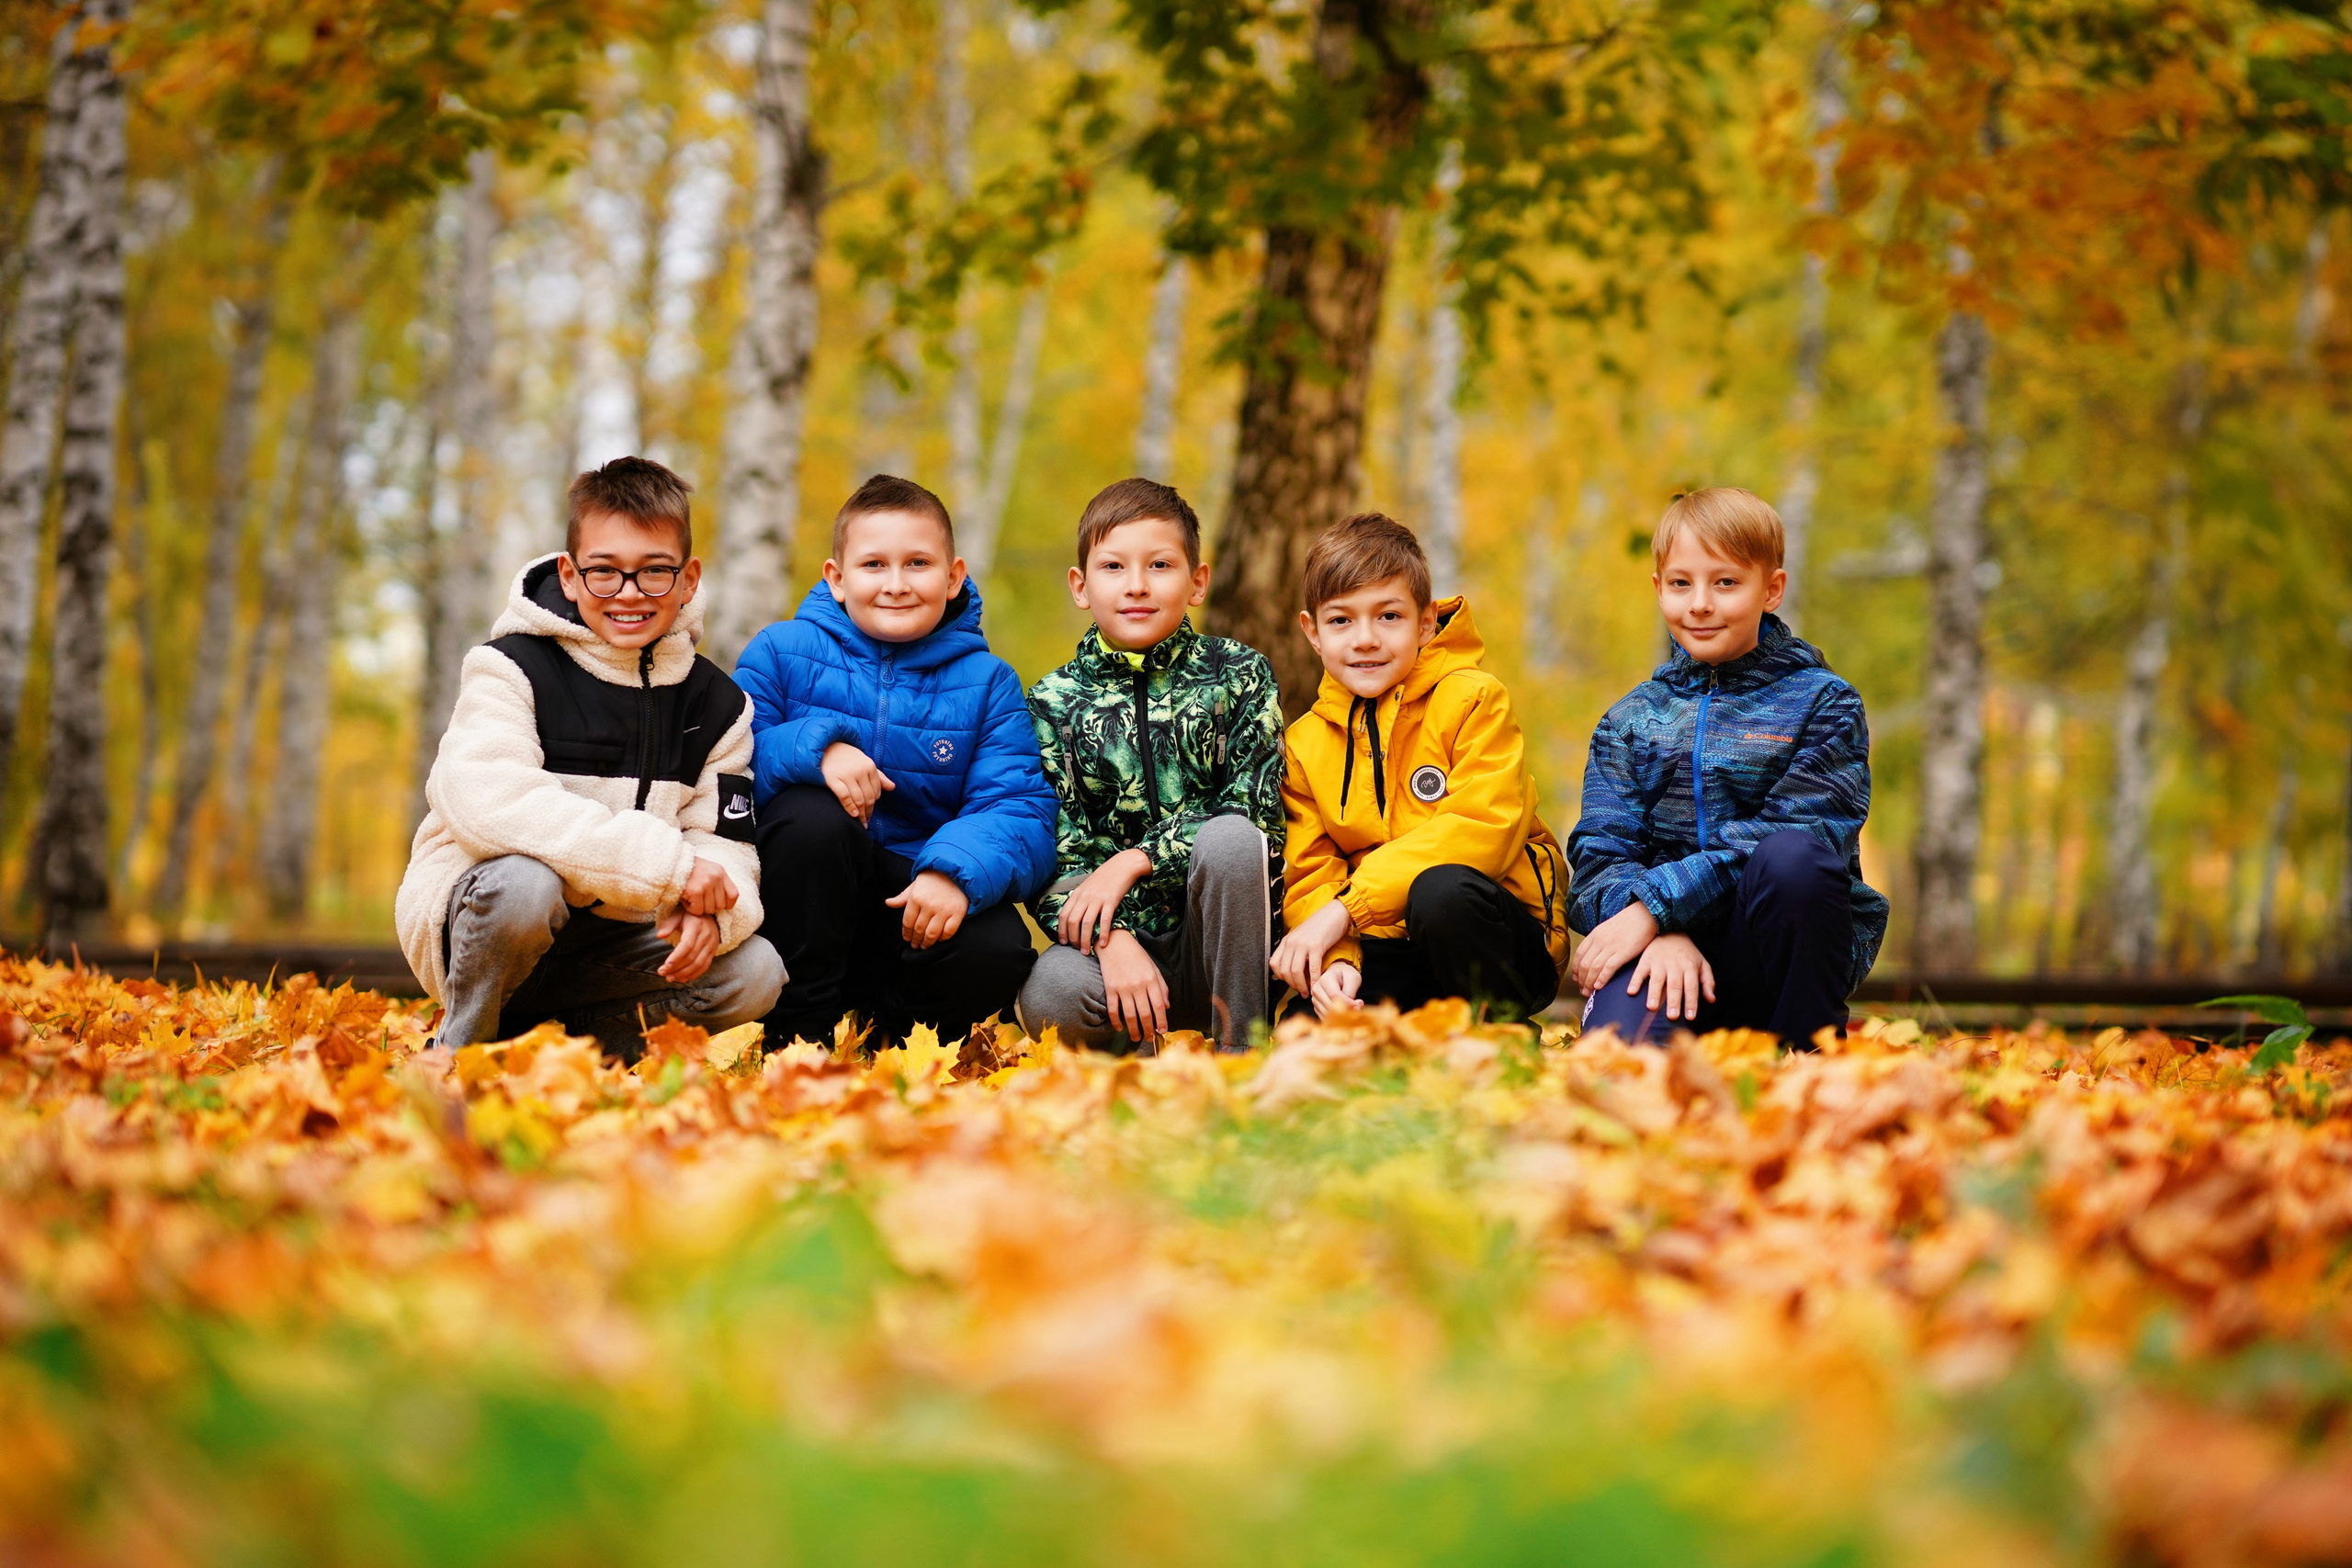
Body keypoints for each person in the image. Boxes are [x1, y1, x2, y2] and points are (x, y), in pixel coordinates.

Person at [395, 457, 784, 1057]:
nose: (629, 594)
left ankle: (559, 1057)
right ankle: (460, 1049)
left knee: (756, 970)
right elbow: (489, 801)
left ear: (688, 579)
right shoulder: (510, 666)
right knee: (527, 886)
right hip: (492, 919)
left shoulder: (720, 705)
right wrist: (671, 868)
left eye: (655, 572)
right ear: (570, 576)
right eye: (605, 572)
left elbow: (729, 847)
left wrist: (714, 912)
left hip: (619, 941)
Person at [733, 474, 1057, 1045]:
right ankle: (798, 1039)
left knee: (998, 946)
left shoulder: (988, 683)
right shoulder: (779, 653)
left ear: (954, 577)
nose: (897, 584)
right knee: (812, 819)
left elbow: (1018, 806)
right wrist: (816, 750)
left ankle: (906, 1044)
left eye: (918, 564)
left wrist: (953, 871)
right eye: (874, 565)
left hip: (910, 903)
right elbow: (728, 765)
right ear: (836, 579)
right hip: (804, 901)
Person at [1567, 486, 1888, 1047]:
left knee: (1792, 858)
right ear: (1659, 588)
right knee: (1622, 1066)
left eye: (1726, 582)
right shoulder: (1630, 721)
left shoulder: (1825, 706)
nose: (1699, 604)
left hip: (1767, 962)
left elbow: (1807, 832)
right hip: (1663, 960)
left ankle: (1808, 1052)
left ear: (1772, 590)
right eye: (1680, 583)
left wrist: (1657, 907)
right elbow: (1598, 859)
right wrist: (1659, 926)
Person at [1017, 479, 1285, 1053]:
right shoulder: (1052, 703)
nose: (1136, 586)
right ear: (1080, 586)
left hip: (1224, 947)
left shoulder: (1237, 675)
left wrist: (1134, 861)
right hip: (1117, 955)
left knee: (1233, 840)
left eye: (1160, 565)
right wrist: (1108, 939)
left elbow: (1255, 812)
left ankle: (1242, 1052)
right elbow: (1050, 851)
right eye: (1113, 567)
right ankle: (1153, 1062)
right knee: (1052, 996)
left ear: (1197, 582)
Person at [1272, 513, 1572, 1021]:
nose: (1365, 639)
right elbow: (1311, 869)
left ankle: (1499, 1032)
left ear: (1426, 622)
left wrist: (1345, 910)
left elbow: (1482, 827)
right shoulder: (1303, 745)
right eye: (1341, 620)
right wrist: (1339, 957)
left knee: (1440, 891)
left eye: (1388, 617)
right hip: (1381, 944)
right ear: (1313, 632)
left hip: (1491, 937)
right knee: (1307, 1027)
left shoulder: (1475, 699)